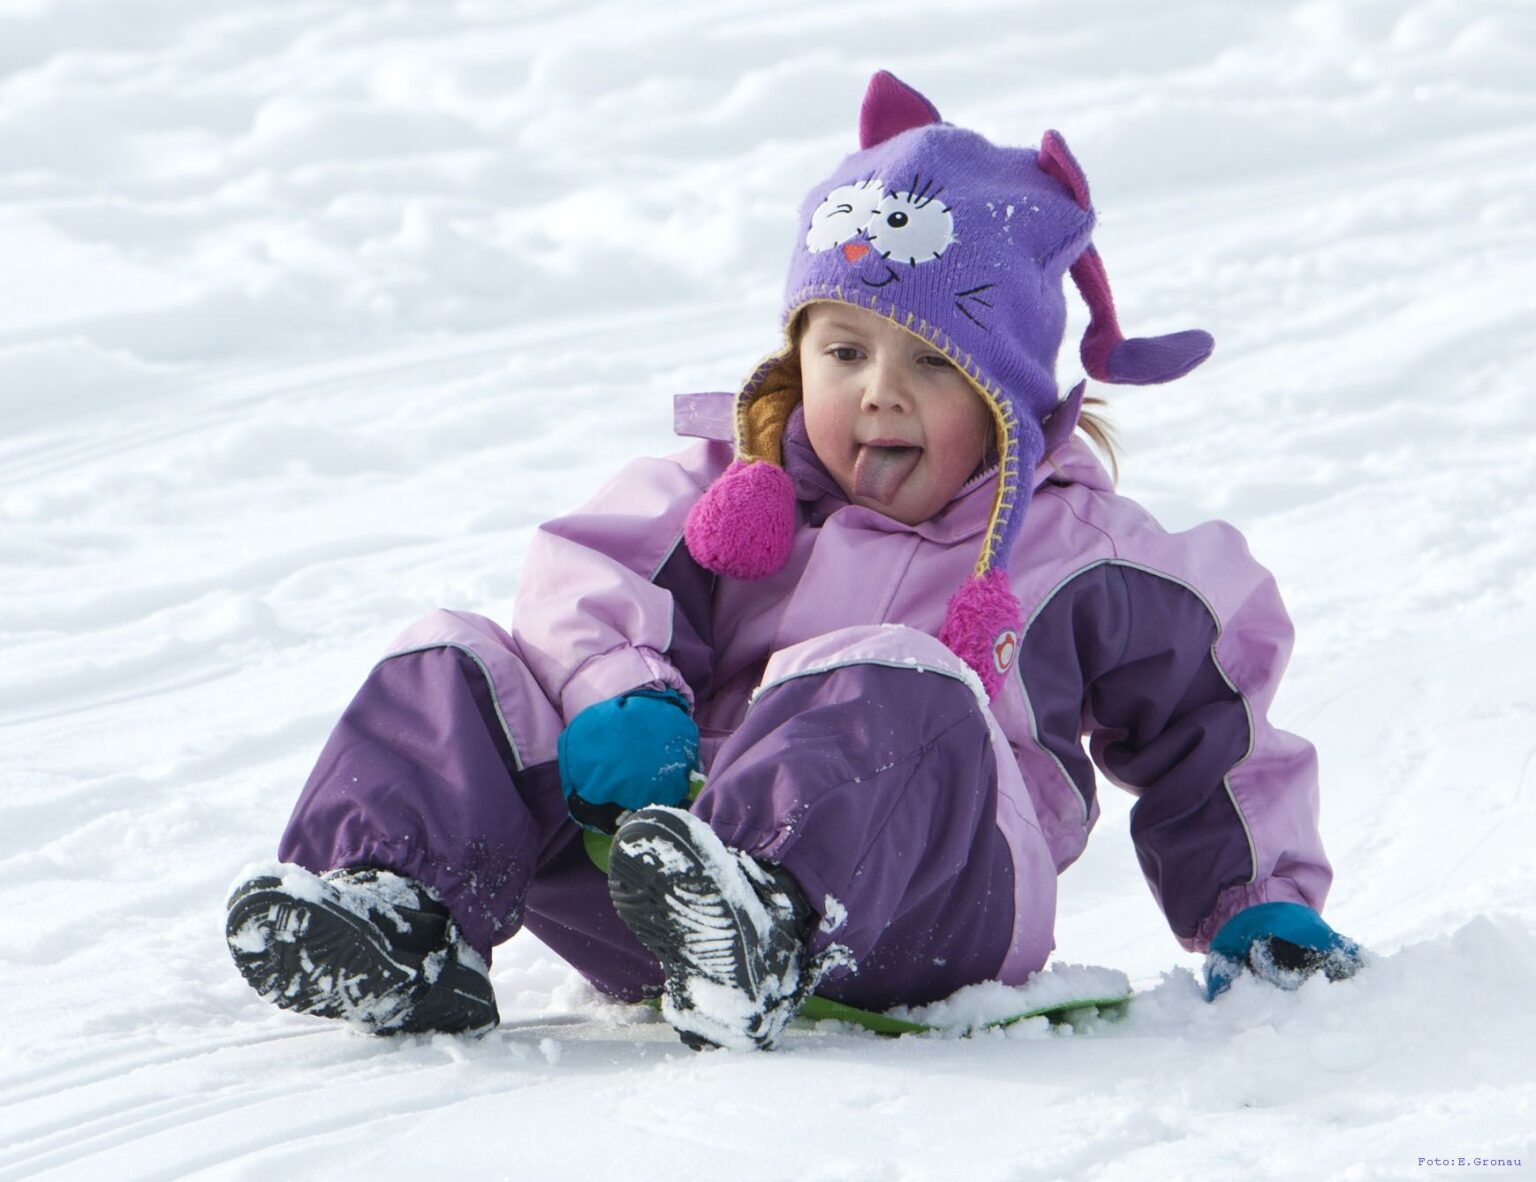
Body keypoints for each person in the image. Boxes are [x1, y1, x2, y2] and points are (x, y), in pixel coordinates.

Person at [225, 70, 1363, 1051]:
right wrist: (622, 693)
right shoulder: (729, 486)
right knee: (460, 654)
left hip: (919, 898)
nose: (878, 390)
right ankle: (395, 904)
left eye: (931, 362)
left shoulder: (1084, 553)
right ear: (797, 355)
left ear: (1009, 394)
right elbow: (581, 578)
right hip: (658, 891)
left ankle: (765, 911)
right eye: (846, 348)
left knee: (895, 673)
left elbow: (1217, 720)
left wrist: (1256, 903)